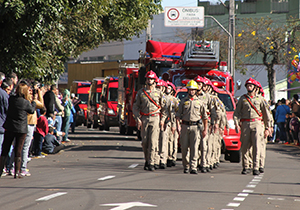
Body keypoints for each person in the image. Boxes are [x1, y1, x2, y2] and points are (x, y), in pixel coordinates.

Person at [233, 78, 271, 175]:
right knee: (245, 146)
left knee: (257, 146)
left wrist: (268, 127)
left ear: (254, 87)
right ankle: (246, 166)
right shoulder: (243, 99)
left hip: (257, 123)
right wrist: (236, 124)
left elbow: (266, 114)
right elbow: (237, 113)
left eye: (251, 85)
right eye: (247, 85)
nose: (249, 87)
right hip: (245, 124)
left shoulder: (260, 99)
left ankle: (256, 167)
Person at [0, 83, 36, 178]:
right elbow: (31, 111)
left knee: (5, 148)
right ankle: (17, 172)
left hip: (10, 126)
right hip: (21, 128)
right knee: (18, 149)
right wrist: (34, 102)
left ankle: (1, 169)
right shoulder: (25, 102)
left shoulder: (11, 99)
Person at [133, 70, 166, 171]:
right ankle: (147, 160)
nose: (149, 80)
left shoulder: (159, 93)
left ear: (154, 80)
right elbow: (135, 107)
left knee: (153, 142)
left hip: (155, 118)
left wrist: (162, 120)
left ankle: (152, 162)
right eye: (148, 79)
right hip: (144, 119)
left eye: (151, 79)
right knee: (145, 142)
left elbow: (164, 108)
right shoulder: (141, 93)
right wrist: (137, 118)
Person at [176, 80, 208, 174]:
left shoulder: (200, 102)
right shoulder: (183, 101)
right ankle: (186, 165)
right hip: (185, 126)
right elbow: (178, 115)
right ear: (188, 90)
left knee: (195, 148)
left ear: (196, 90)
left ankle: (193, 167)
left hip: (196, 127)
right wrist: (178, 126)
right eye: (190, 90)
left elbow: (205, 117)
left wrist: (205, 129)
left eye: (193, 90)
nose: (192, 92)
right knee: (184, 148)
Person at [21, 82, 44, 176]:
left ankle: (15, 166)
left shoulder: (23, 99)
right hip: (29, 123)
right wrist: (39, 94)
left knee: (20, 146)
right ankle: (22, 167)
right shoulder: (29, 100)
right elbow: (41, 104)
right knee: (25, 146)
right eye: (30, 90)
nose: (31, 92)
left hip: (26, 123)